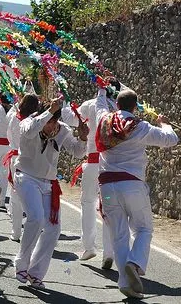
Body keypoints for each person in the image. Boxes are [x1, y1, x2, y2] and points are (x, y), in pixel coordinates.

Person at [95, 87, 178, 299]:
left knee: (119, 235)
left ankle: (126, 283)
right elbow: (171, 139)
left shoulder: (103, 121)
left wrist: (102, 92)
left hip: (106, 187)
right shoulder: (140, 127)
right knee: (143, 229)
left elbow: (99, 106)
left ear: (116, 105)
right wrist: (164, 123)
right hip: (131, 184)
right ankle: (135, 263)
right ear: (134, 107)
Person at [13, 98, 88, 289]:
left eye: (54, 121)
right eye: (48, 122)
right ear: (42, 116)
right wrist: (48, 112)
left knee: (53, 229)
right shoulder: (28, 123)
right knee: (36, 219)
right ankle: (21, 264)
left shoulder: (62, 129)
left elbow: (78, 152)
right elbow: (30, 132)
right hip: (26, 177)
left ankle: (35, 272)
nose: (51, 126)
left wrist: (83, 138)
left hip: (48, 183)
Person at [60, 82, 121, 267]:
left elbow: (70, 118)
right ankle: (109, 252)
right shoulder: (119, 110)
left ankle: (89, 247)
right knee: (108, 205)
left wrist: (64, 101)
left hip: (94, 163)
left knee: (87, 202)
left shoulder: (92, 104)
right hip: (111, 166)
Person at [5, 93, 39, 242]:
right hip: (33, 161)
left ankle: (16, 231)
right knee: (32, 195)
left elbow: (9, 137)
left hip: (16, 159)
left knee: (15, 195)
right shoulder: (36, 122)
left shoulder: (14, 118)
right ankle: (33, 227)